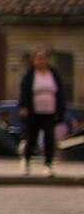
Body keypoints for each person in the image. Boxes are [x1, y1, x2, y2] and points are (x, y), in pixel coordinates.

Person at [18, 47, 68, 177]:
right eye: (38, 58)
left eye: (43, 58)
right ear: (34, 60)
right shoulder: (30, 74)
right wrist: (23, 107)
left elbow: (60, 92)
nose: (41, 61)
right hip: (34, 112)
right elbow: (24, 91)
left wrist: (61, 110)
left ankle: (48, 165)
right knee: (31, 138)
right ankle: (26, 161)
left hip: (49, 112)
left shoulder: (53, 73)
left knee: (49, 138)